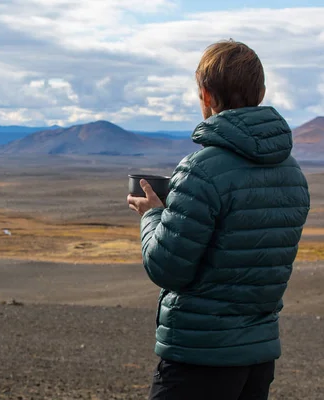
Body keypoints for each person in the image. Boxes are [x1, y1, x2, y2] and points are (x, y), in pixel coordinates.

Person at [127, 39, 310, 400]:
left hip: (199, 357)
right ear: (260, 92)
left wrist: (152, 216)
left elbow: (167, 268)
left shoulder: (201, 170)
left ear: (207, 96)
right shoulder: (292, 173)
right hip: (257, 359)